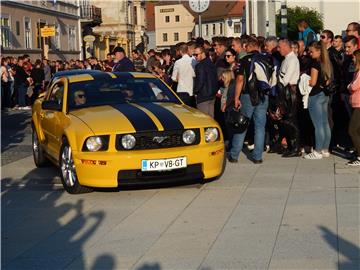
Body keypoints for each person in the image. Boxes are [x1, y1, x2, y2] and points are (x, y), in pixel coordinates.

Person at [229, 37, 269, 164]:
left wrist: (236, 97)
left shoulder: (245, 59)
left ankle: (234, 154)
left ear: (250, 47)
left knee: (242, 124)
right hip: (263, 95)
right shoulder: (267, 58)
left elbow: (240, 80)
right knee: (260, 126)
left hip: (248, 95)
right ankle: (257, 157)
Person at [304, 41, 333, 160]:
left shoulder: (315, 64)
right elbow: (328, 81)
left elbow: (313, 82)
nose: (310, 53)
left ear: (319, 51)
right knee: (325, 123)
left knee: (318, 125)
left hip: (315, 95)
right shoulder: (327, 63)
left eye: (312, 51)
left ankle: (317, 151)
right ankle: (325, 149)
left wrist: (305, 80)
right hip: (324, 95)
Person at [277, 39, 301, 157]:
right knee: (286, 120)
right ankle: (291, 146)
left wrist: (277, 84)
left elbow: (286, 79)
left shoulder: (292, 59)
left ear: (286, 47)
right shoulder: (287, 59)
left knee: (291, 120)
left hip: (290, 92)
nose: (278, 49)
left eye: (280, 47)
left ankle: (296, 148)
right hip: (285, 91)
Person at [193, 45, 218, 117]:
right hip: (212, 96)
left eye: (196, 54)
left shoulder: (200, 66)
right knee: (211, 119)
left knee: (203, 119)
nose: (195, 57)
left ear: (203, 53)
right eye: (194, 55)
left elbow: (200, 81)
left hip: (203, 97)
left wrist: (195, 91)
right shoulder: (211, 63)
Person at [347, 49, 360, 166]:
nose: (353, 59)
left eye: (354, 57)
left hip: (359, 105)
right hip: (356, 103)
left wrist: (349, 86)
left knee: (352, 130)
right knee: (357, 130)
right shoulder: (357, 71)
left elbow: (354, 86)